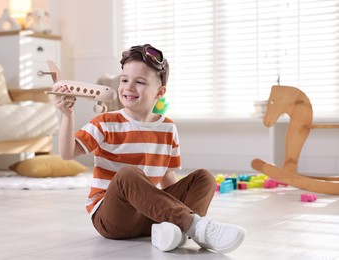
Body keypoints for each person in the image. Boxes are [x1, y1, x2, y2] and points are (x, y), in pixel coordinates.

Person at [52, 44, 246, 254]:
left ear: (160, 92)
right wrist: (67, 116)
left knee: (204, 178)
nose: (128, 87)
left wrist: (177, 205)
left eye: (140, 82)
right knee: (128, 173)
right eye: (124, 80)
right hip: (113, 217)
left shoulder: (168, 128)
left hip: (148, 215)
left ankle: (174, 231)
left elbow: (167, 178)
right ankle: (195, 226)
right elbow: (67, 153)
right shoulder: (105, 122)